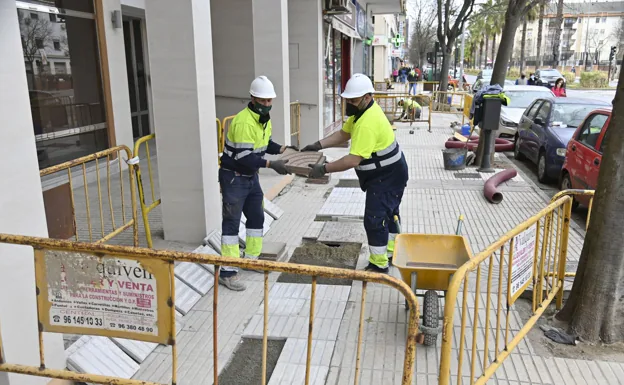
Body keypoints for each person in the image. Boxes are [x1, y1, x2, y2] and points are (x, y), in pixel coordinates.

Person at [301, 74, 409, 273]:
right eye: (347, 100)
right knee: (390, 213)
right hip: (390, 172)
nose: (349, 104)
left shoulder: (367, 122)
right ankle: (393, 251)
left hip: (386, 176)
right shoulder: (361, 114)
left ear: (367, 97)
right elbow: (344, 133)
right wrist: (317, 145)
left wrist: (323, 169)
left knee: (375, 218)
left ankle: (379, 264)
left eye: (353, 100)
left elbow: (352, 160)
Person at [218, 76, 295, 291]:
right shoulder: (243, 122)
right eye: (263, 101)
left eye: (270, 101)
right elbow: (244, 157)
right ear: (253, 98)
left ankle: (251, 259)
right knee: (232, 223)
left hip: (249, 177)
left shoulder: (263, 119)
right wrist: (273, 164)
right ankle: (228, 271)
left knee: (257, 216)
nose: (267, 105)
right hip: (234, 176)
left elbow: (265, 144)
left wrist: (284, 149)